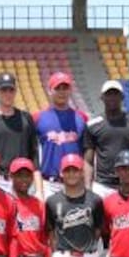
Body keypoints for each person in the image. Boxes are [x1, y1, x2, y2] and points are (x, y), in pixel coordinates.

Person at [44, 153, 107, 257]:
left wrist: (88, 248)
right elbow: (51, 231)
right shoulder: (52, 201)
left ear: (81, 172)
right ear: (61, 173)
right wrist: (59, 251)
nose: (71, 174)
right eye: (68, 171)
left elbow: (98, 230)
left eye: (75, 170)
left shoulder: (95, 200)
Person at [0, 71, 42, 193]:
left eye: (11, 90)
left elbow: (34, 154)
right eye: (3, 90)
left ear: (15, 91)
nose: (7, 94)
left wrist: (39, 189)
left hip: (23, 180)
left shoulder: (26, 118)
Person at [83, 79, 129, 199]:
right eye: (109, 94)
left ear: (122, 97)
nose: (112, 97)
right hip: (103, 186)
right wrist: (88, 188)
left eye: (116, 94)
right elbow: (88, 160)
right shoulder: (93, 125)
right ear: (102, 97)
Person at [36, 71, 88, 200]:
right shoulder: (38, 118)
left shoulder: (81, 117)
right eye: (57, 88)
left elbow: (87, 152)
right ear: (50, 91)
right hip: (49, 183)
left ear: (70, 90)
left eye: (65, 88)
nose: (62, 92)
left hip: (76, 181)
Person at [8, 157, 49, 257]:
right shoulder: (7, 202)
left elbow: (44, 236)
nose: (23, 180)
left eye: (27, 175)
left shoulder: (39, 204)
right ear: (11, 177)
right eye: (19, 175)